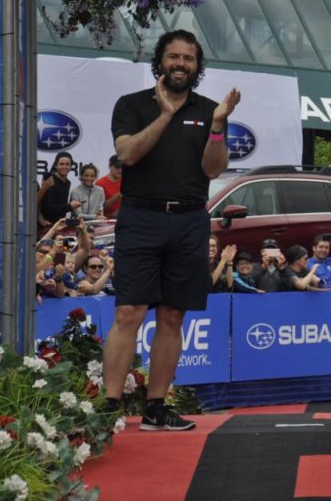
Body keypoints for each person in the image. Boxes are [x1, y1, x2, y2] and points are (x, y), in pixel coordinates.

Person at [101, 29, 241, 432]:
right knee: (129, 311)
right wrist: (165, 115)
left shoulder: (212, 110)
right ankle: (110, 405)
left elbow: (214, 169)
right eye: (174, 57)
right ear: (160, 61)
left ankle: (156, 407)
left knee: (173, 315)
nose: (181, 64)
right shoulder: (131, 105)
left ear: (198, 66)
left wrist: (216, 127)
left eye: (189, 59)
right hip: (141, 218)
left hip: (190, 220)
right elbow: (127, 154)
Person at [37, 151, 78, 233]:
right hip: (45, 225)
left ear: (71, 166)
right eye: (61, 164)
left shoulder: (68, 182)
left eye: (67, 164)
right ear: (56, 165)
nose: (64, 167)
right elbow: (47, 208)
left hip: (59, 225)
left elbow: (60, 206)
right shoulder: (49, 178)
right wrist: (69, 206)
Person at [96, 155, 124, 219]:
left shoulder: (126, 181)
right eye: (117, 167)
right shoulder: (100, 183)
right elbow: (100, 207)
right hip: (105, 221)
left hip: (123, 219)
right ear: (109, 166)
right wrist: (117, 196)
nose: (120, 170)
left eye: (122, 167)